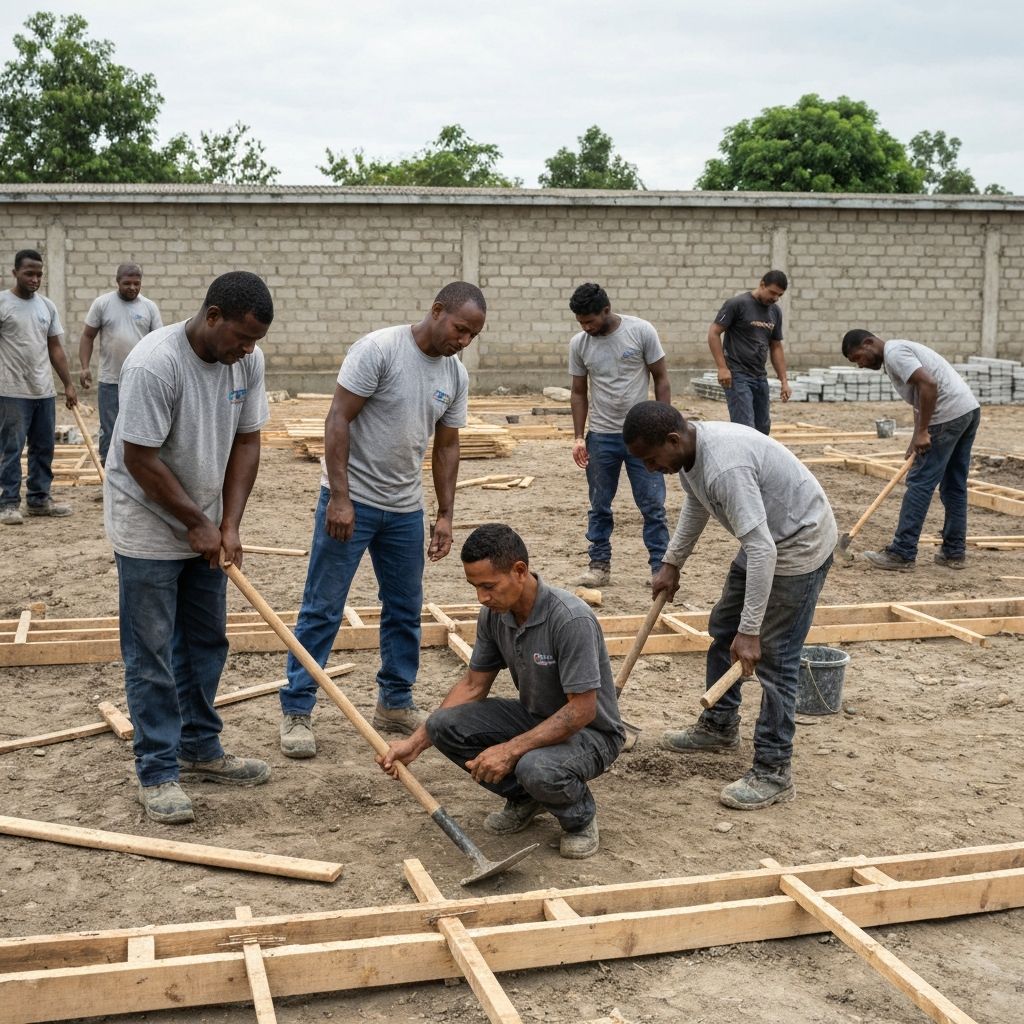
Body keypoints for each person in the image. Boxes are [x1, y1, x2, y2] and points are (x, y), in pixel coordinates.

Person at [278, 282, 485, 758]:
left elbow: (447, 445)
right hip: (352, 503)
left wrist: (446, 514)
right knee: (323, 608)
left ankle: (394, 701)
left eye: (473, 335)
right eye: (460, 329)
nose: (463, 341)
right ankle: (297, 708)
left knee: (404, 609)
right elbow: (338, 419)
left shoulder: (454, 374)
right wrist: (340, 498)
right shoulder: (379, 350)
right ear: (437, 311)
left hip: (405, 508)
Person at [104, 271, 274, 824]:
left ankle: (199, 747)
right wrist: (197, 523)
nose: (247, 350)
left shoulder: (247, 360)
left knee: (205, 641)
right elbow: (139, 458)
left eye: (255, 341)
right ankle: (157, 770)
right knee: (151, 652)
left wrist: (229, 524)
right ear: (213, 315)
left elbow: (247, 440)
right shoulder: (156, 364)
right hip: (148, 525)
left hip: (206, 524)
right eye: (242, 337)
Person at [623, 400, 835, 810]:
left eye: (651, 459)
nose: (650, 469)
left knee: (774, 657)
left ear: (673, 439)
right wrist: (672, 561)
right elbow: (698, 502)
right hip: (765, 540)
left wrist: (751, 631)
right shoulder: (690, 456)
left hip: (798, 545)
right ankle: (719, 726)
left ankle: (774, 770)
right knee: (723, 628)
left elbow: (763, 551)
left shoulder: (725, 467)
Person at [377, 524, 625, 859]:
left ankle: (579, 818)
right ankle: (527, 798)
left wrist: (509, 751)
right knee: (441, 725)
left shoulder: (570, 619)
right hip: (536, 718)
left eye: (489, 586)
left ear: (519, 571)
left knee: (534, 767)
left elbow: (582, 710)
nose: (481, 597)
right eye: (475, 587)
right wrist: (416, 743)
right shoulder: (495, 615)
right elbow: (473, 685)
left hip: (591, 733)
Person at [842, 329, 981, 571]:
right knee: (954, 485)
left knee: (919, 483)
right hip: (967, 411)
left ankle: (902, 553)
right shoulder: (898, 351)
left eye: (858, 358)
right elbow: (920, 396)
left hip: (946, 416)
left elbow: (928, 384)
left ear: (868, 343)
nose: (860, 365)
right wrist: (917, 434)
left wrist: (924, 431)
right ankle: (954, 552)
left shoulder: (894, 353)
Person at [568, 282, 670, 587]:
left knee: (653, 506)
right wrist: (578, 437)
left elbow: (661, 378)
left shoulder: (641, 332)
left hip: (643, 438)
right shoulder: (579, 344)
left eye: (590, 321)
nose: (586, 328)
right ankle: (599, 565)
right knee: (599, 505)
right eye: (581, 322)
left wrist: (664, 427)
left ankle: (660, 568)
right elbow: (578, 392)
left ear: (606, 310)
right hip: (601, 437)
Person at [0, 248, 78, 525]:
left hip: (43, 390)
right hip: (10, 391)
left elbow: (55, 348)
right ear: (15, 273)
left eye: (39, 274)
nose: (35, 279)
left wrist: (68, 384)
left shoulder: (47, 306)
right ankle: (8, 503)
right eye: (29, 273)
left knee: (44, 448)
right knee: (11, 449)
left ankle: (39, 499)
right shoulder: (3, 303)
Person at [78, 263, 163, 464]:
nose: (132, 287)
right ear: (117, 282)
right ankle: (108, 472)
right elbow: (88, 336)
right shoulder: (102, 304)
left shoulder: (149, 307)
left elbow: (159, 342)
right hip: (110, 380)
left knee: (140, 427)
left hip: (140, 381)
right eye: (127, 283)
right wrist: (84, 367)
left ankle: (137, 471)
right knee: (109, 429)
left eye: (136, 283)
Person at [707, 270, 791, 435]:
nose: (775, 298)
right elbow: (713, 333)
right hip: (737, 376)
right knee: (745, 428)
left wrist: (784, 381)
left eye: (779, 295)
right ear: (762, 285)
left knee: (763, 428)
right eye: (772, 292)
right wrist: (722, 367)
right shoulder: (737, 304)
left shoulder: (775, 311)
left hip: (760, 376)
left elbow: (776, 346)